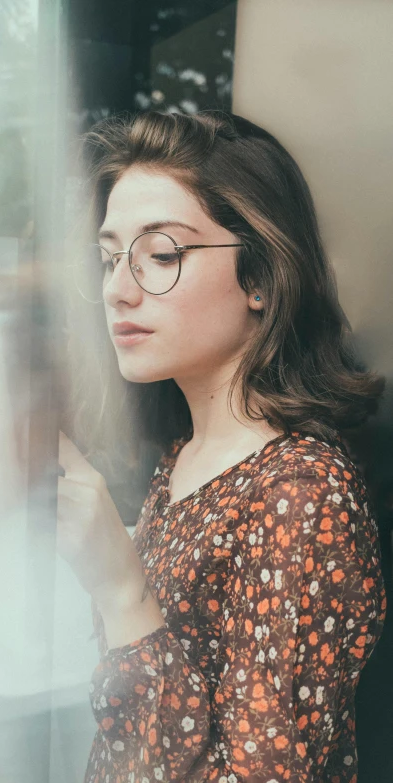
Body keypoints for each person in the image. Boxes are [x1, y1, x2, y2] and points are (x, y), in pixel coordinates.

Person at [56, 110, 387, 783]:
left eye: (162, 255)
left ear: (261, 276)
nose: (117, 289)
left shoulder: (301, 490)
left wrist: (122, 589)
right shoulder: (182, 460)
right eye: (109, 256)